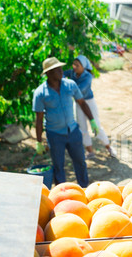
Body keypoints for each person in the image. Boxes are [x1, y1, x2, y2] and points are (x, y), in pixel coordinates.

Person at [33, 57, 98, 188]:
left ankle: (84, 188)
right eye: (57, 70)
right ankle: (62, 194)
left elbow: (82, 103)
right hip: (55, 135)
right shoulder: (40, 93)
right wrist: (39, 141)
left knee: (80, 162)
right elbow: (39, 119)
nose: (61, 71)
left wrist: (92, 121)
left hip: (73, 131)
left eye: (61, 68)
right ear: (49, 73)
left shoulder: (70, 85)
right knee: (58, 166)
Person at [64, 55, 116, 159]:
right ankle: (90, 151)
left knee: (96, 125)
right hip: (78, 103)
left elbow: (80, 90)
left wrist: (66, 88)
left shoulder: (87, 76)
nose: (74, 67)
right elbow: (61, 74)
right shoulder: (72, 73)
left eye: (77, 65)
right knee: (82, 128)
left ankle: (109, 147)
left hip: (88, 102)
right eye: (74, 64)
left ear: (83, 66)